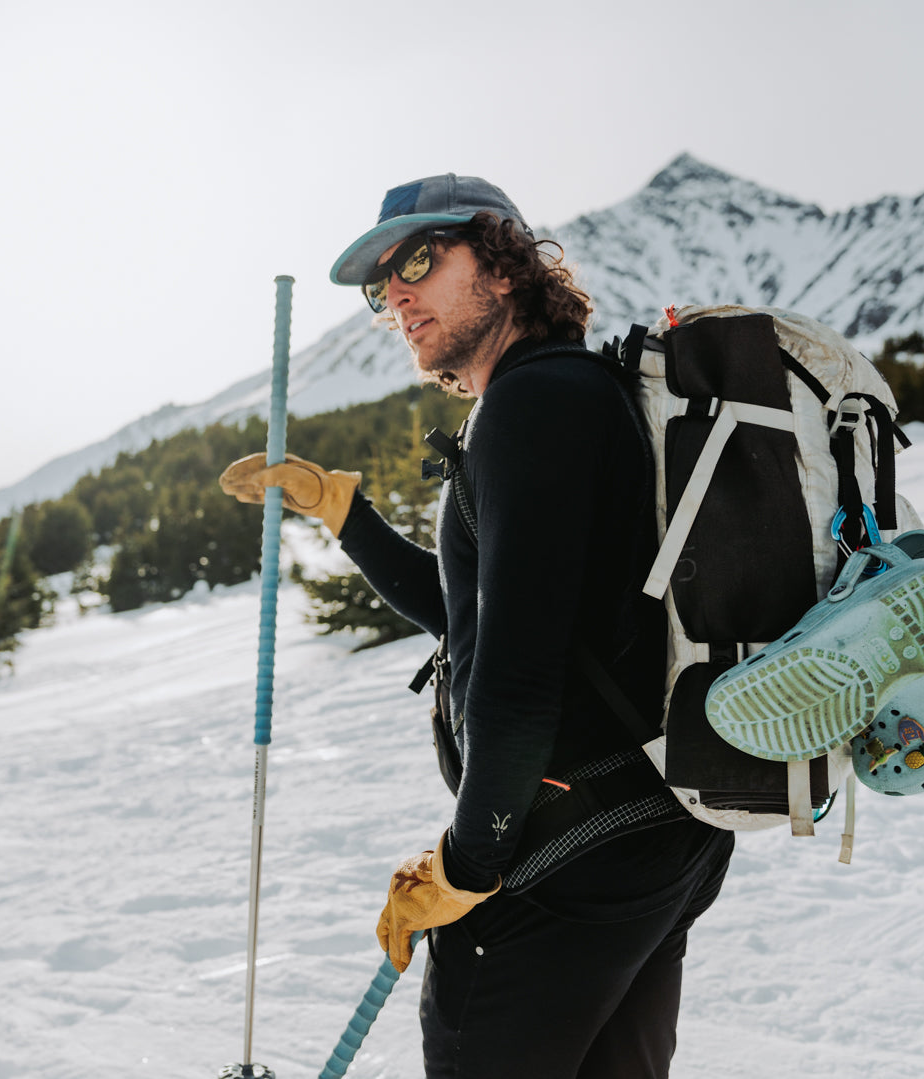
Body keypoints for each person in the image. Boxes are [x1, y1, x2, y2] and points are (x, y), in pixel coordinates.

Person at [220, 174, 734, 1079]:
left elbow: (515, 673)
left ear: (503, 264)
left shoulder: (529, 407)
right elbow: (475, 617)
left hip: (567, 855)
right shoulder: (576, 392)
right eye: (382, 285)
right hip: (655, 831)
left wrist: (467, 862)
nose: (396, 294)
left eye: (419, 259)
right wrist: (345, 514)